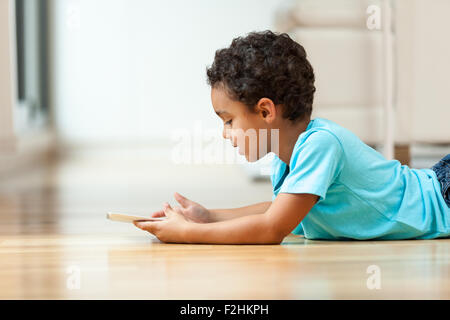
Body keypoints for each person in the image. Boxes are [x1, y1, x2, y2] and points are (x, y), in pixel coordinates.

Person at [134, 30, 450, 244]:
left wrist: (188, 233)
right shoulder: (285, 161)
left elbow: (273, 228)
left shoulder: (321, 144)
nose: (225, 133)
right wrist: (208, 217)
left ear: (266, 111)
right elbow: (278, 211)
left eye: (229, 120)